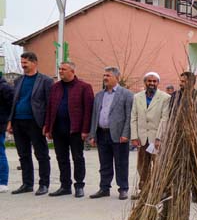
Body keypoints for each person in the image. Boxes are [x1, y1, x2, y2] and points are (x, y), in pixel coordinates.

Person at [43, 61, 94, 198]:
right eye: (59, 69)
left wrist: (85, 130)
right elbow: (50, 108)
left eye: (63, 69)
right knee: (61, 158)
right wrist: (48, 127)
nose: (60, 71)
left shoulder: (84, 87)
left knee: (77, 157)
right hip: (58, 129)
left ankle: (79, 185)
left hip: (75, 130)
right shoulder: (55, 88)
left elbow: (88, 111)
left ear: (72, 71)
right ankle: (65, 186)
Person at [7, 52, 53, 195]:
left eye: (25, 63)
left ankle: (44, 184)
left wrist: (47, 124)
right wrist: (10, 121)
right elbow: (14, 101)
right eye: (22, 63)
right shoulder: (18, 80)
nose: (23, 66)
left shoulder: (45, 81)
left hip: (35, 122)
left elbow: (49, 104)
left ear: (34, 62)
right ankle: (27, 184)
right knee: (23, 155)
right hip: (18, 121)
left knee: (41, 154)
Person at [88, 67, 134, 200]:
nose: (105, 78)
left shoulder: (126, 94)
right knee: (104, 163)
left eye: (108, 75)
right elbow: (95, 115)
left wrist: (126, 134)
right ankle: (104, 188)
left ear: (117, 78)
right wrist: (93, 134)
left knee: (121, 163)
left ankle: (123, 189)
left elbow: (129, 116)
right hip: (102, 134)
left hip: (119, 135)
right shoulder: (99, 95)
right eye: (104, 75)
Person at [130, 71, 170, 199]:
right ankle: (144, 191)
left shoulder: (165, 98)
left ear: (158, 83)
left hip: (156, 139)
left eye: (154, 81)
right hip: (142, 138)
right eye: (149, 81)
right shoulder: (137, 97)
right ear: (145, 82)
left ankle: (159, 191)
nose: (151, 83)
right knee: (142, 165)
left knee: (158, 165)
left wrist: (159, 138)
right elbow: (134, 117)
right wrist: (134, 136)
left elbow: (165, 119)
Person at [0, 73, 14, 193]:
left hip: (0, 124)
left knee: (0, 153)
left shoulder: (5, 87)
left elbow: (12, 106)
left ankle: (3, 182)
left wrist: (9, 122)